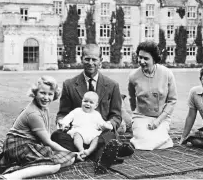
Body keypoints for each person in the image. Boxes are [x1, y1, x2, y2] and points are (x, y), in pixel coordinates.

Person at [51, 44, 134, 174]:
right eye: (87, 59)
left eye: (94, 59)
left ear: (100, 60)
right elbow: (62, 113)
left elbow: (116, 115)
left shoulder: (112, 85)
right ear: (81, 59)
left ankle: (87, 154)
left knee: (110, 136)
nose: (90, 63)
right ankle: (102, 155)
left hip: (100, 135)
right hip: (76, 136)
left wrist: (109, 125)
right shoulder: (69, 85)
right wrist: (62, 123)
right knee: (56, 136)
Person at [0, 76, 78, 179]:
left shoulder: (44, 108)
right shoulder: (33, 113)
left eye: (50, 94)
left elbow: (46, 135)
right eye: (42, 93)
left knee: (69, 159)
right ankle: (11, 176)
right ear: (35, 93)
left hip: (29, 145)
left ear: (54, 95)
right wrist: (72, 153)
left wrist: (68, 154)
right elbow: (48, 142)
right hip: (17, 145)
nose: (46, 98)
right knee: (55, 166)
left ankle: (25, 166)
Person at [128, 41, 178, 150]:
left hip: (161, 117)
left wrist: (158, 120)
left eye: (146, 58)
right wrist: (136, 116)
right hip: (141, 116)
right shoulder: (133, 76)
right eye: (140, 57)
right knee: (146, 140)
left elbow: (172, 101)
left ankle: (151, 139)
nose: (141, 61)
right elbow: (132, 99)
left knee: (157, 140)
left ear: (154, 59)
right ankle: (140, 136)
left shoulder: (167, 74)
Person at [60, 91, 113, 160]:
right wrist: (64, 123)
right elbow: (68, 117)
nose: (88, 104)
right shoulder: (77, 111)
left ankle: (89, 151)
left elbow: (102, 123)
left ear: (96, 105)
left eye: (91, 102)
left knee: (96, 139)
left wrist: (107, 125)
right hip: (79, 131)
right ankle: (81, 150)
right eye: (85, 101)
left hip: (92, 133)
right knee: (77, 136)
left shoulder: (96, 114)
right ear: (82, 101)